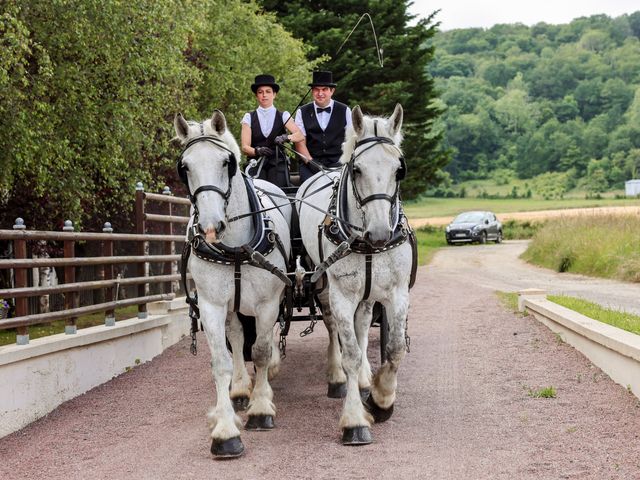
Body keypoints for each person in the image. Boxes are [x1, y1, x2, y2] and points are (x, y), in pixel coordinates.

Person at [241, 74, 304, 188]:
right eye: (260, 92)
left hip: (277, 163)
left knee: (279, 188)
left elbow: (300, 135)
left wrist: (286, 138)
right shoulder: (248, 117)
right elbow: (245, 147)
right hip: (256, 162)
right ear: (256, 95)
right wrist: (257, 151)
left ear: (274, 94)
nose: (264, 95)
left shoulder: (283, 116)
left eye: (268, 91)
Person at [294, 71, 352, 183]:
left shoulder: (345, 110)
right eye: (316, 89)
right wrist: (311, 162)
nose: (320, 93)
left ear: (332, 91)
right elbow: (299, 142)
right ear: (312, 91)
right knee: (307, 193)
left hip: (339, 164)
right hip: (310, 165)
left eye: (324, 89)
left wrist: (343, 161)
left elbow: (351, 139)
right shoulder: (302, 111)